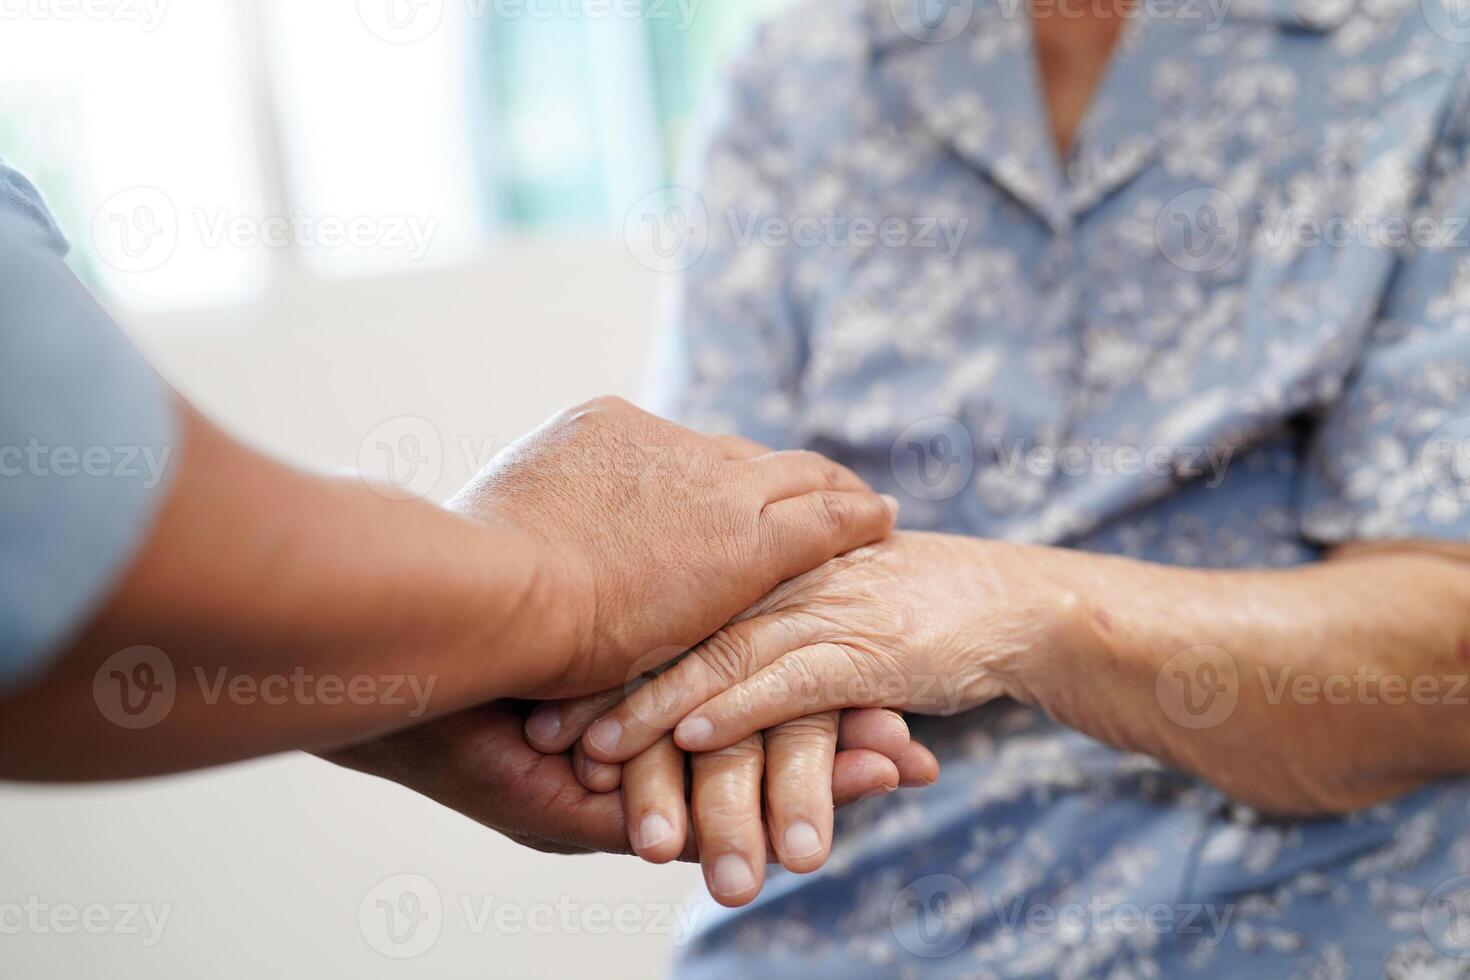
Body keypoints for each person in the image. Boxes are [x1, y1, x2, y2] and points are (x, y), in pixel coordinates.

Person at [522, 0, 1470, 974]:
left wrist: (1011, 607)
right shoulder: (801, 69)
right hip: (849, 918)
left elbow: (1447, 656)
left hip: (1283, 910)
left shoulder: (1423, 52)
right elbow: (693, 574)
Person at [0, 156, 908, 803]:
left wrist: (423, 675)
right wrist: (554, 589)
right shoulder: (788, 84)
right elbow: (79, 532)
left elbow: (724, 556)